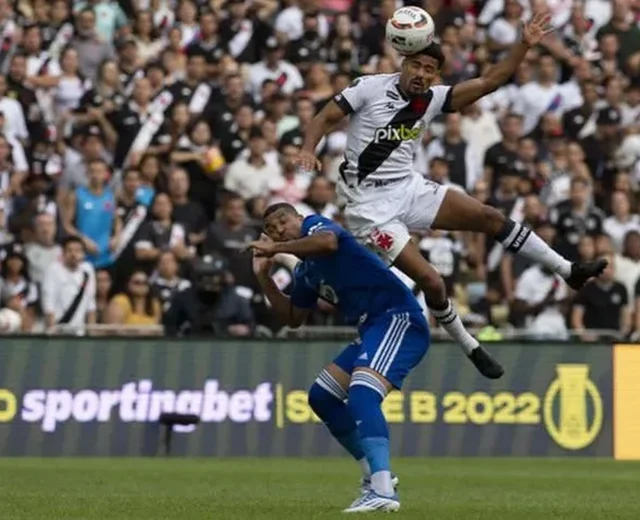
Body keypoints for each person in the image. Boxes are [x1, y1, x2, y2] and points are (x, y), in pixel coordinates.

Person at [295, 13, 607, 379]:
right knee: (432, 281)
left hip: (408, 188)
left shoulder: (432, 99)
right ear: (404, 61)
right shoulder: (369, 88)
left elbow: (491, 80)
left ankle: (566, 270)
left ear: (436, 76)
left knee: (489, 217)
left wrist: (524, 44)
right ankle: (470, 346)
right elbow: (323, 117)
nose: (422, 74)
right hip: (369, 209)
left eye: (430, 69)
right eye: (417, 65)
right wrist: (306, 148)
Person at [246, 203, 430, 513]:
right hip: (372, 326)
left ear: (299, 218)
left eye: (282, 221)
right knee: (322, 396)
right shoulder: (306, 272)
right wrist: (263, 277)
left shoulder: (318, 227)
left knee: (362, 395)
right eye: (271, 227)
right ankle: (373, 476)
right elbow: (292, 317)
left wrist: (276, 248)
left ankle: (383, 491)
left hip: (398, 317)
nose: (278, 228)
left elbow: (328, 242)